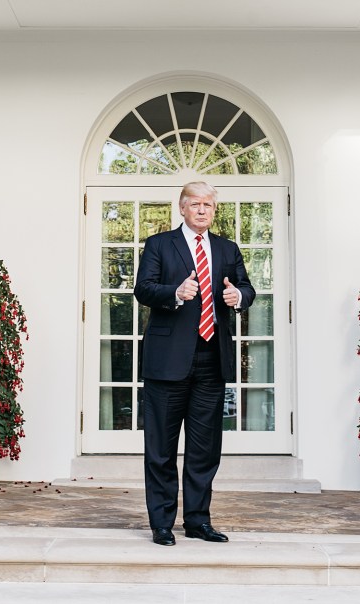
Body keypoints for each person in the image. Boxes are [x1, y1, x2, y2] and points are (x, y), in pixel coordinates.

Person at [133, 181, 255, 547]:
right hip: (167, 362)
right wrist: (174, 293)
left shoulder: (227, 248)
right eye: (195, 204)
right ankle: (162, 524)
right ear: (182, 208)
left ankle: (198, 521)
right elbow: (143, 288)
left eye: (208, 205)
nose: (202, 210)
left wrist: (239, 297)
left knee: (204, 449)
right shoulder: (159, 245)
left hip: (211, 360)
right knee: (161, 450)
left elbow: (248, 289)